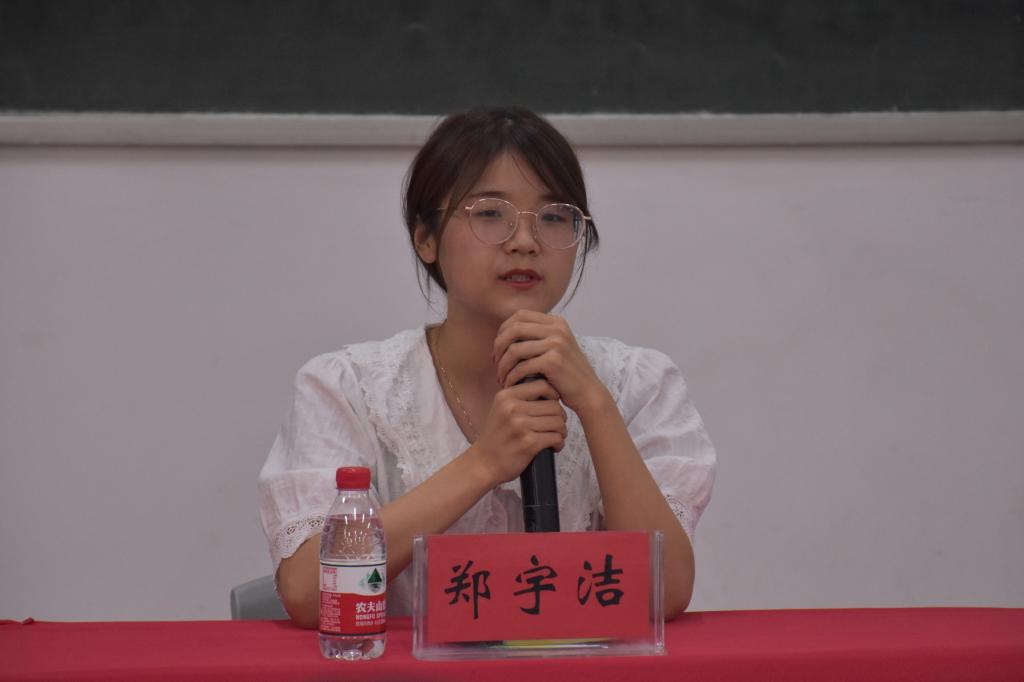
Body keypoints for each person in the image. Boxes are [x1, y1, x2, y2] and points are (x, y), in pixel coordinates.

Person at [258, 106, 716, 628]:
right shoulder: (347, 388)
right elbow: (307, 590)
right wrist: (485, 463)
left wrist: (594, 405)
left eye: (554, 216)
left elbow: (666, 592)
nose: (525, 241)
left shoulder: (638, 382)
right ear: (425, 237)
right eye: (490, 213)